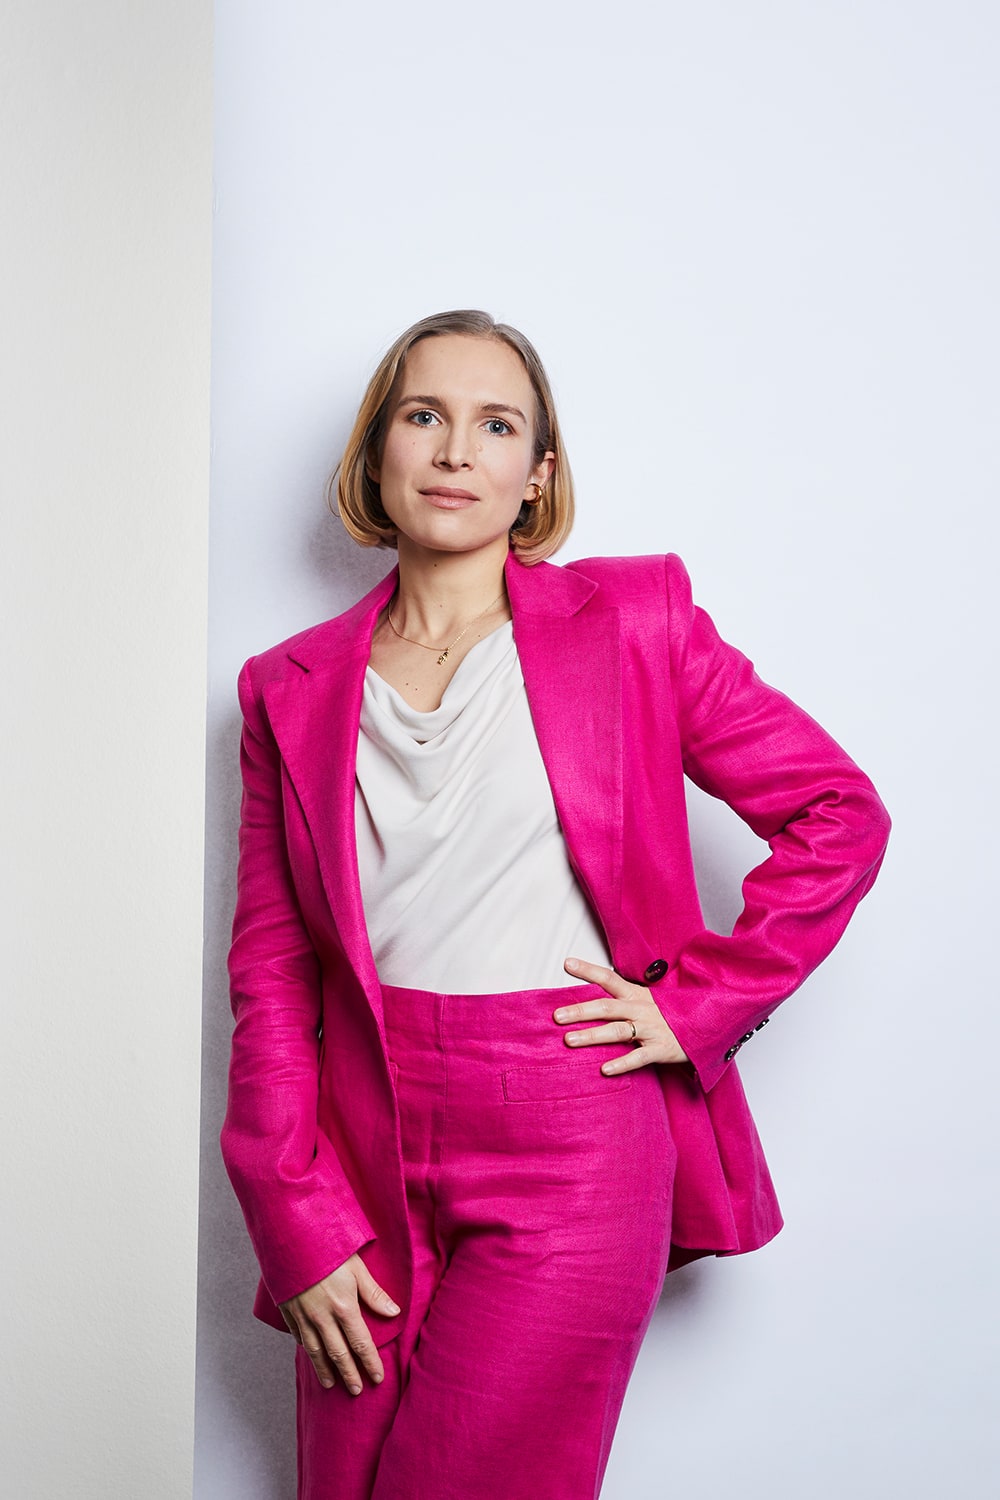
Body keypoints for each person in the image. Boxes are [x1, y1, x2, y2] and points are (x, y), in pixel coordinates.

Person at [221, 309, 890, 1500]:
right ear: (377, 450)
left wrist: (697, 1005)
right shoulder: (289, 688)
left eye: (496, 426)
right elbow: (273, 981)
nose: (454, 450)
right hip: (360, 1147)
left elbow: (837, 813)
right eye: (423, 416)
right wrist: (290, 1212)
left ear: (536, 474)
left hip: (571, 1136)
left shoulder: (633, 624)